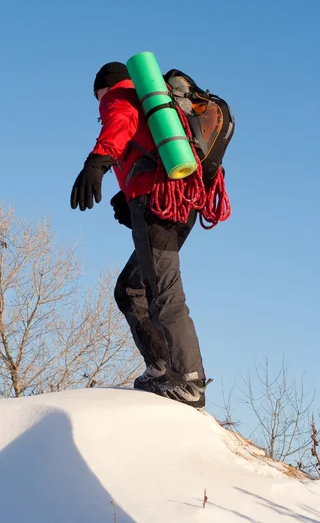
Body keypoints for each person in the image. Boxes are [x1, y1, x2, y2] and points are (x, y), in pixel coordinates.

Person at [70, 62, 209, 410]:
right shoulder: (154, 104)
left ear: (103, 88)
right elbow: (142, 149)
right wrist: (124, 194)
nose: (99, 103)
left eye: (97, 96)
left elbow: (120, 125)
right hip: (182, 201)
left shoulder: (119, 94)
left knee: (163, 293)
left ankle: (188, 380)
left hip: (156, 203)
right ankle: (162, 366)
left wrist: (95, 164)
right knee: (131, 289)